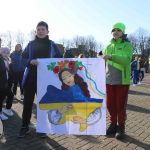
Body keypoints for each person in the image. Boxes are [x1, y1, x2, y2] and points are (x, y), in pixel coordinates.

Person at [18, 21, 62, 138]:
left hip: (46, 81)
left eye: (43, 29)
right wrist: (29, 61)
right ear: (35, 31)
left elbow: (60, 60)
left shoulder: (52, 45)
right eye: (38, 29)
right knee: (27, 104)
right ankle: (24, 126)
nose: (41, 31)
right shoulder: (31, 44)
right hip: (30, 79)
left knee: (43, 104)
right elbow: (23, 58)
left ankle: (42, 127)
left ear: (48, 31)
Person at [39, 60, 103, 132]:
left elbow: (97, 110)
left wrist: (84, 121)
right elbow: (53, 119)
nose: (67, 79)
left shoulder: (82, 90)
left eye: (69, 76)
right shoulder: (62, 95)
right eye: (64, 78)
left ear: (73, 75)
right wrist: (59, 111)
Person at [103, 22, 133, 139]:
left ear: (123, 32)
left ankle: (121, 127)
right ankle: (113, 125)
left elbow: (126, 60)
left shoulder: (127, 45)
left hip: (122, 81)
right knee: (110, 105)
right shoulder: (108, 45)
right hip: (109, 80)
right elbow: (104, 61)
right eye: (114, 30)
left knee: (120, 105)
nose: (115, 32)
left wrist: (111, 56)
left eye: (118, 30)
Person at [0, 47, 12, 120]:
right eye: (4, 52)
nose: (6, 54)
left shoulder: (7, 60)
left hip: (5, 82)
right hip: (1, 83)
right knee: (1, 99)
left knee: (10, 95)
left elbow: (8, 71)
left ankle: (7, 109)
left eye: (7, 52)